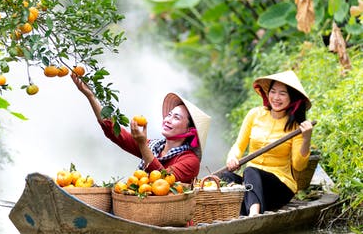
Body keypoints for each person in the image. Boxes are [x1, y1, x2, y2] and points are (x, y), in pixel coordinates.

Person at [71, 76, 211, 184]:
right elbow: (114, 132)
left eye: (176, 117)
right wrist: (90, 96)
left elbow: (163, 181)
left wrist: (142, 144)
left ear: (190, 130)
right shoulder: (154, 147)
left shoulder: (190, 161)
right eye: (169, 115)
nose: (168, 119)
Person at [221, 70, 313, 216]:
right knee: (224, 178)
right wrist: (232, 158)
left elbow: (299, 165)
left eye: (282, 93)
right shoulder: (255, 114)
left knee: (250, 171)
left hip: (279, 187)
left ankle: (253, 215)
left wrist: (306, 138)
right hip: (252, 184)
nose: (276, 98)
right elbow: (239, 145)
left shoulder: (296, 126)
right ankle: (243, 206)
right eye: (273, 91)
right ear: (268, 92)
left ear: (292, 98)